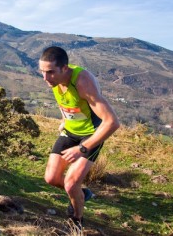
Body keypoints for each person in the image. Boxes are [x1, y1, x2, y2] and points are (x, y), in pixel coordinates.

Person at [39, 46, 120, 229]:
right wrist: (63, 119)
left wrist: (82, 149)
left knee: (70, 183)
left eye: (50, 72)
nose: (45, 78)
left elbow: (112, 122)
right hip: (70, 131)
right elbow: (67, 102)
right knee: (51, 178)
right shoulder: (54, 80)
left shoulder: (83, 82)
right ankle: (81, 194)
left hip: (91, 134)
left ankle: (76, 222)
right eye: (42, 72)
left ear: (64, 68)